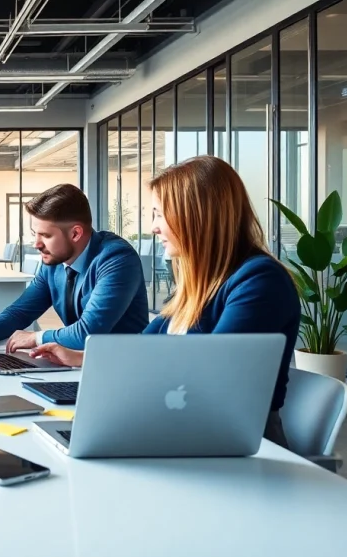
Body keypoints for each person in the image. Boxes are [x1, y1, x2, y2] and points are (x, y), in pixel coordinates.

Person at [30, 156, 299, 448]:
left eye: (159, 214)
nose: (154, 227)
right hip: (183, 426)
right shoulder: (195, 288)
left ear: (195, 216)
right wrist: (79, 358)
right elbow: (143, 349)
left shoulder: (259, 281)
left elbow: (211, 378)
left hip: (237, 445)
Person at [0, 183, 149, 352]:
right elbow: (21, 311)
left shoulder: (116, 258)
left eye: (46, 236)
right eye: (34, 234)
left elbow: (87, 333)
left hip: (123, 365)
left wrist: (36, 337)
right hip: (77, 362)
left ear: (75, 233)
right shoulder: (54, 263)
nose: (36, 244)